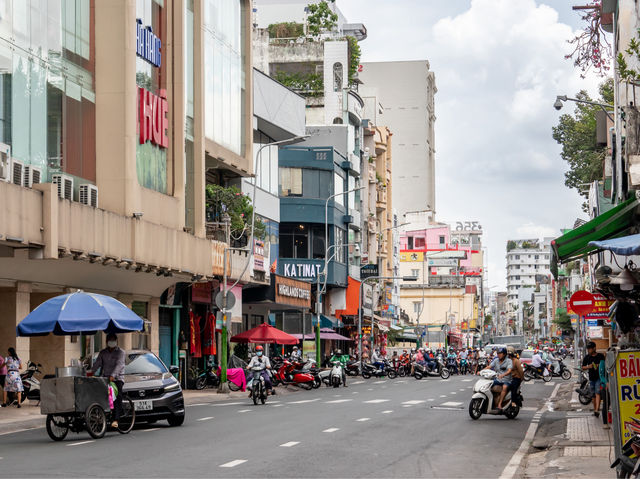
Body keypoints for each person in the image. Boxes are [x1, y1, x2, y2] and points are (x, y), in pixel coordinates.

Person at [91, 333, 126, 428]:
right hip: (105, 378)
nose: (112, 342)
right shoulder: (103, 353)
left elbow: (120, 365)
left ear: (116, 341)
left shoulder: (121, 352)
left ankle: (116, 419)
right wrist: (90, 372)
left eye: (113, 340)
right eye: (110, 340)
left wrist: (113, 376)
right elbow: (97, 364)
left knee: (116, 395)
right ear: (106, 342)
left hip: (117, 378)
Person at [582, 341, 605, 418]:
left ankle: (597, 410)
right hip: (591, 378)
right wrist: (589, 366)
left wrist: (599, 365)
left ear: (594, 348)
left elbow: (605, 365)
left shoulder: (600, 356)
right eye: (588, 349)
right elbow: (582, 367)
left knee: (597, 393)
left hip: (599, 377)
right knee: (593, 396)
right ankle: (595, 409)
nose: (588, 350)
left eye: (590, 349)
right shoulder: (587, 357)